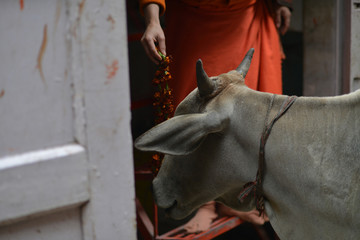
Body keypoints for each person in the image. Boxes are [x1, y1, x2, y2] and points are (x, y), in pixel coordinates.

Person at [139, 0, 292, 234]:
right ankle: (206, 203)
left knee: (251, 115)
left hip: (248, 17)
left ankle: (240, 196)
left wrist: (282, 3)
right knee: (196, 114)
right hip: (194, 21)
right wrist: (152, 19)